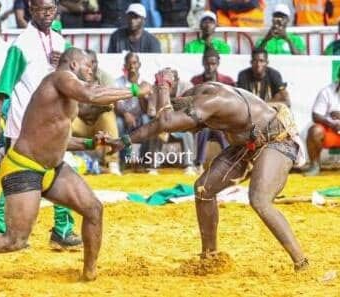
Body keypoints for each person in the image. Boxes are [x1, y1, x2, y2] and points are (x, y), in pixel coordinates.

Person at [0, 47, 153, 281]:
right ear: (73, 65)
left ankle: (89, 274)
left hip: (52, 168)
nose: (92, 69)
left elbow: (59, 138)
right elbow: (91, 93)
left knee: (93, 209)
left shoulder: (66, 95)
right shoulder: (59, 78)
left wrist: (91, 142)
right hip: (24, 167)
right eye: (87, 65)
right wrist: (135, 90)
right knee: (14, 240)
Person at [107, 69, 309, 272]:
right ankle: (210, 257)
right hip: (246, 144)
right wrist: (122, 141)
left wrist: (162, 86)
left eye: (186, 126)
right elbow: (161, 124)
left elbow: (167, 122)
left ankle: (301, 262)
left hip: (277, 140)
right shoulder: (199, 101)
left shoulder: (210, 101)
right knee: (203, 189)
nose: (188, 130)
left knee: (259, 200)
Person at [0, 0, 79, 250]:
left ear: (56, 10)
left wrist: (65, 62)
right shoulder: (21, 45)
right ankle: (1, 229)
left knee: (58, 171)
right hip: (23, 124)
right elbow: (3, 87)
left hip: (51, 123)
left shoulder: (62, 42)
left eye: (50, 9)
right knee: (17, 177)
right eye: (40, 9)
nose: (45, 14)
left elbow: (77, 74)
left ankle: (62, 229)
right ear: (30, 10)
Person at [72, 49, 122, 175]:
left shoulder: (105, 78)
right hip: (80, 122)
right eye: (87, 63)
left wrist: (90, 108)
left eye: (93, 62)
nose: (90, 66)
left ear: (97, 63)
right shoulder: (72, 78)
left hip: (99, 122)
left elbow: (110, 105)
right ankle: (65, 160)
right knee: (64, 118)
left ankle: (112, 162)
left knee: (108, 115)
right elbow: (73, 108)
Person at [190, 47, 232, 174]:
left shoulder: (227, 81)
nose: (210, 67)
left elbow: (232, 104)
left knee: (221, 131)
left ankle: (229, 163)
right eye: (207, 63)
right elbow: (192, 103)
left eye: (213, 64)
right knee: (204, 129)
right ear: (203, 63)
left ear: (218, 64)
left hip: (222, 119)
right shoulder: (195, 81)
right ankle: (199, 164)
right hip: (202, 120)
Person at [304, 77, 340, 176]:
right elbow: (315, 115)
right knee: (315, 131)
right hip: (332, 130)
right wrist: (331, 124)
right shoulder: (327, 91)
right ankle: (314, 165)